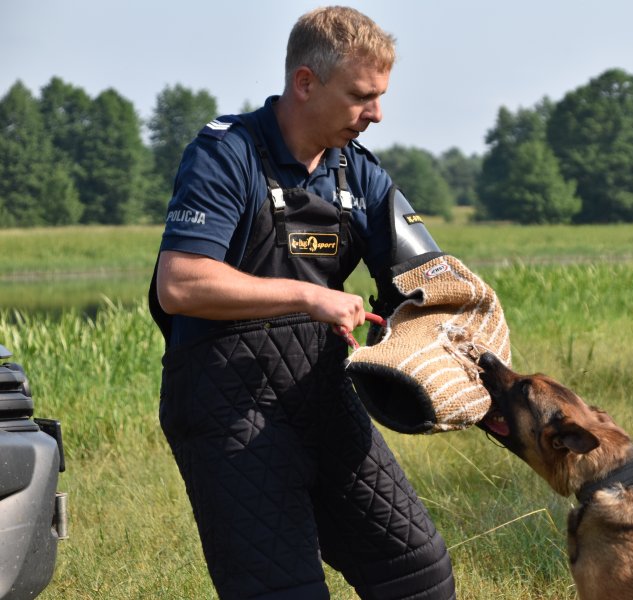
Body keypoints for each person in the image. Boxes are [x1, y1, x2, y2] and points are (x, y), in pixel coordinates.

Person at [149, 7, 455, 599]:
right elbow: (180, 283)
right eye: (360, 96)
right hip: (227, 407)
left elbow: (424, 280)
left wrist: (461, 342)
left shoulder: (358, 172)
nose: (376, 114)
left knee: (418, 575)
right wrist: (310, 296)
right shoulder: (227, 153)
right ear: (306, 82)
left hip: (323, 395)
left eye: (380, 96)